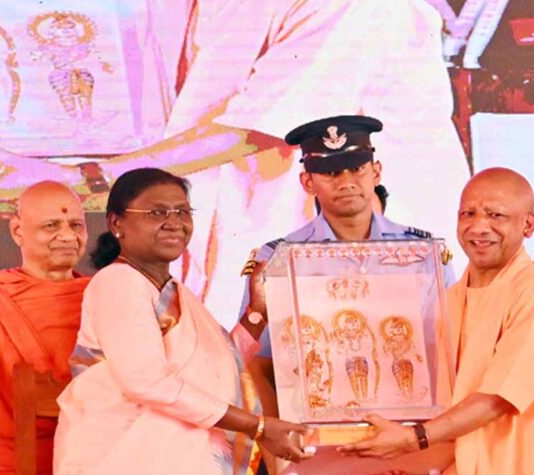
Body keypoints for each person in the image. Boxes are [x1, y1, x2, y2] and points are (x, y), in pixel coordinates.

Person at [164, 0, 470, 327]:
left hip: (372, 247)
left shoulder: (357, 7)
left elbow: (257, 132)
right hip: (264, 210)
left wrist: (131, 174)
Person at [53, 168, 310, 475]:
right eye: (157, 212)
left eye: (183, 212)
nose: (174, 222)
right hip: (121, 459)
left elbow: (219, 367)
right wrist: (257, 426)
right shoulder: (117, 282)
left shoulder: (175, 291)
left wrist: (257, 312)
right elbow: (147, 382)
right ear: (116, 223)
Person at [341, 168, 534, 475]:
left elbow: (500, 397)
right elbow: (442, 403)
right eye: (468, 214)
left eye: (496, 215)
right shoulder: (450, 298)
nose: (479, 227)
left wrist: (411, 439)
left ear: (528, 225)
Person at [243, 115, 457, 474]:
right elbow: (260, 363)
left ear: (376, 171)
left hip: (407, 445)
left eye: (356, 168)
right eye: (330, 172)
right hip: (318, 452)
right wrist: (280, 456)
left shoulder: (423, 254)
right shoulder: (277, 259)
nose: (346, 182)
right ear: (307, 181)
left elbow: (448, 351)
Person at [0, 181, 90, 475]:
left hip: (100, 458)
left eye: (76, 225)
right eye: (51, 225)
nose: (68, 236)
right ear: (17, 231)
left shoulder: (105, 298)